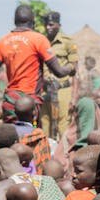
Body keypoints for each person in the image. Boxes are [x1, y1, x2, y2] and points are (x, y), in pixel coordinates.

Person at [0, 5, 76, 123]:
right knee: (31, 137)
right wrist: (71, 67)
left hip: (11, 102)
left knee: (11, 137)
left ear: (14, 21)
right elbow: (59, 72)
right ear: (33, 22)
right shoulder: (39, 40)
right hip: (29, 102)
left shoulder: (3, 41)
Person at [41, 11, 79, 140]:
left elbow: (75, 71)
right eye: (46, 24)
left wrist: (74, 96)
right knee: (45, 125)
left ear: (59, 25)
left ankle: (63, 157)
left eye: (51, 24)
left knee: (63, 127)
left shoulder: (68, 42)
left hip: (63, 90)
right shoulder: (41, 41)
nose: (48, 27)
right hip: (45, 90)